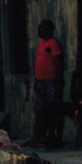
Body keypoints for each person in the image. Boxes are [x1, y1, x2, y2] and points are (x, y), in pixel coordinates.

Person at [26, 18, 64, 148]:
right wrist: (37, 80)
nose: (38, 30)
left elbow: (60, 63)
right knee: (40, 110)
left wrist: (58, 82)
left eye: (41, 27)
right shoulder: (42, 43)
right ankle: (39, 137)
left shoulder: (54, 44)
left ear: (48, 29)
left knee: (54, 109)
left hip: (51, 80)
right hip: (42, 81)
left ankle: (56, 138)